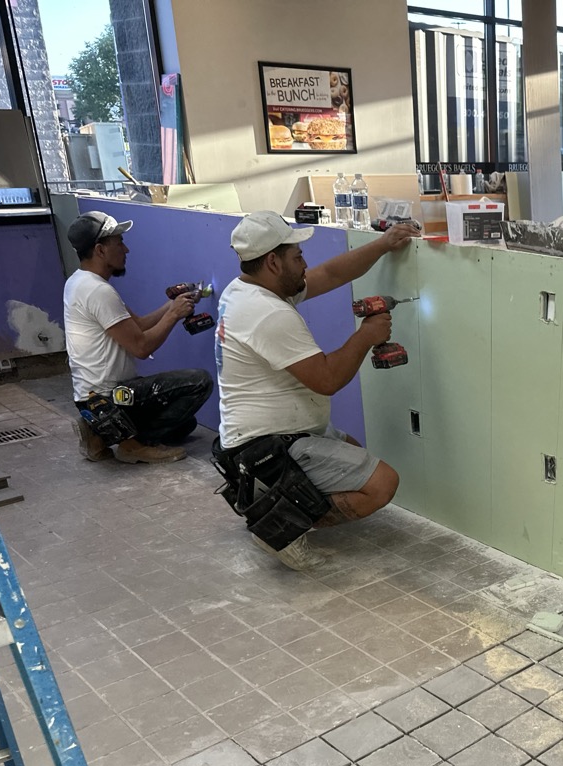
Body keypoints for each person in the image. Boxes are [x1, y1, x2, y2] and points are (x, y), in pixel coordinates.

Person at [215, 210, 420, 570]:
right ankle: (276, 525)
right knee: (382, 483)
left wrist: (383, 244)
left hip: (266, 433)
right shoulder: (266, 313)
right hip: (264, 444)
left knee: (354, 452)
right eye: (297, 257)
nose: (305, 264)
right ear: (274, 262)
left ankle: (278, 498)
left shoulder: (248, 289)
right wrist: (367, 335)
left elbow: (332, 273)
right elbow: (327, 380)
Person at [63, 211, 213, 464]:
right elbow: (140, 346)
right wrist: (174, 315)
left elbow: (139, 325)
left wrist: (173, 305)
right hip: (110, 399)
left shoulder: (80, 282)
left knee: (185, 424)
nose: (126, 249)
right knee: (199, 382)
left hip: (95, 400)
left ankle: (99, 433)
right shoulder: (98, 291)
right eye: (119, 243)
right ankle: (132, 445)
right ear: (100, 250)